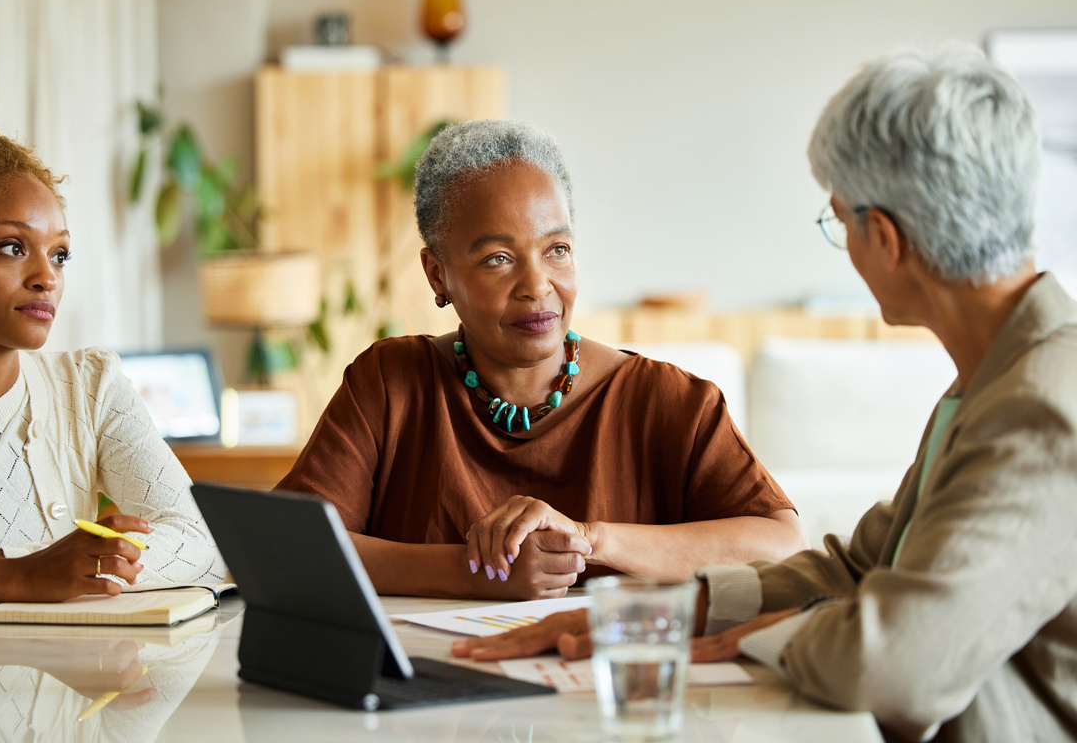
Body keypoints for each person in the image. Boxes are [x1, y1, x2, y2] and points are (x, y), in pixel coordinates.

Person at [452, 47, 1077, 742]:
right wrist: (674, 609)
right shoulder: (998, 376)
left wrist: (773, 635)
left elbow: (898, 667)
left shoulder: (1045, 406)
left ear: (887, 239)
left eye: (838, 221)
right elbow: (862, 566)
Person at [280, 119, 806, 601]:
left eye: (557, 249)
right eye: (498, 259)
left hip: (600, 693)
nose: (537, 287)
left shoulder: (668, 401)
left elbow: (781, 545)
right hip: (424, 688)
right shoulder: (391, 382)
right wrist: (474, 572)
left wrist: (586, 539)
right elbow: (287, 543)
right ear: (437, 275)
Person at [0, 94, 226, 621]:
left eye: (59, 253)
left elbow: (202, 544)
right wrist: (21, 575)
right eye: (13, 247)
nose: (47, 276)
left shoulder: (90, 387)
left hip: (69, 698)